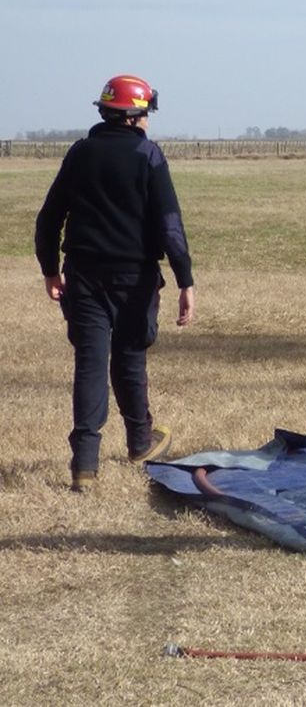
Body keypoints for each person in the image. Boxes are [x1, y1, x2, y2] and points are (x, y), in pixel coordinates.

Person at [34, 75, 194, 493]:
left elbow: (49, 217)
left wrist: (51, 269)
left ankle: (85, 465)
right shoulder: (148, 155)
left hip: (83, 276)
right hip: (134, 278)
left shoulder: (81, 153)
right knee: (129, 357)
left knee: (90, 363)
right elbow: (169, 225)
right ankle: (140, 442)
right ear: (136, 115)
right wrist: (185, 280)